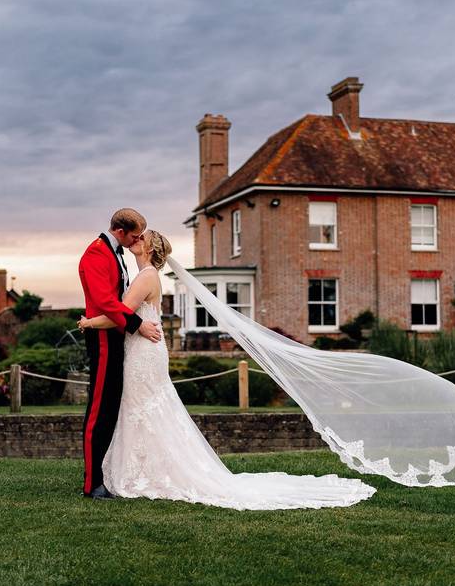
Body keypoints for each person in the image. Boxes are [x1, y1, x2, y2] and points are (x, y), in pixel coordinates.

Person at [78, 230, 378, 510]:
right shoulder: (146, 275)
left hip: (143, 355)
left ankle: (148, 473)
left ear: (148, 247)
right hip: (144, 350)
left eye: (140, 237)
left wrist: (88, 322)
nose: (135, 239)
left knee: (143, 409)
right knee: (143, 409)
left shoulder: (145, 277)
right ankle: (138, 469)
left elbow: (120, 314)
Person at [77, 209, 162, 500]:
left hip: (115, 337)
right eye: (135, 235)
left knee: (111, 408)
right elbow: (105, 302)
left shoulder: (116, 254)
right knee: (99, 410)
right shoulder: (96, 254)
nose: (138, 240)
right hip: (102, 338)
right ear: (121, 231)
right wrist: (138, 325)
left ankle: (103, 476)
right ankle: (92, 483)